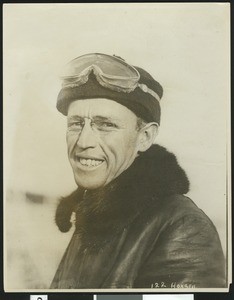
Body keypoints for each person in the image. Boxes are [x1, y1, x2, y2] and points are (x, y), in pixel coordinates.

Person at [50, 53, 225, 289]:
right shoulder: (93, 211)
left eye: (106, 125)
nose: (84, 141)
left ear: (144, 138)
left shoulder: (183, 228)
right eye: (76, 123)